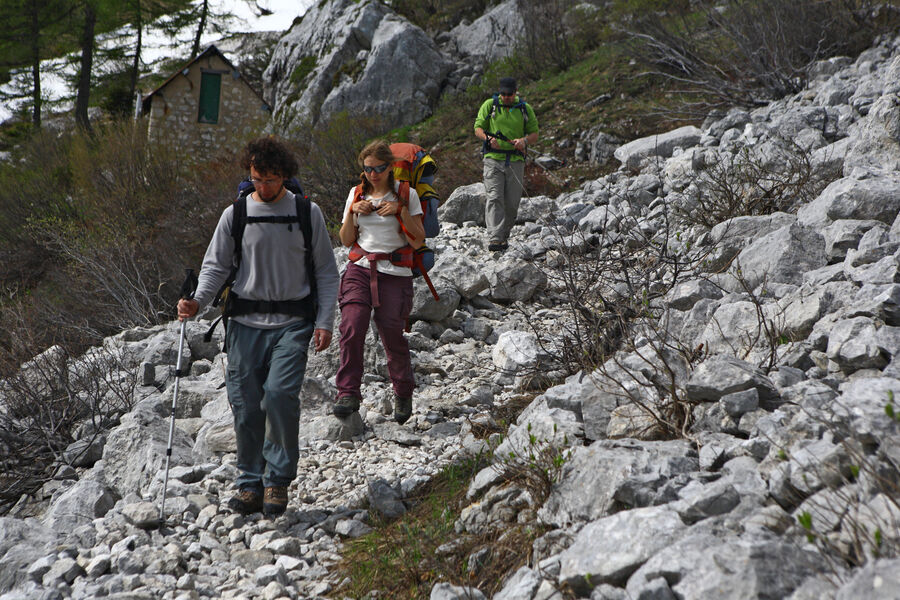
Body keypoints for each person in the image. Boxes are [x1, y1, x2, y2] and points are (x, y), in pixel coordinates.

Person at [177, 136, 339, 516]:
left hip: (293, 323)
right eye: (256, 179)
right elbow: (215, 266)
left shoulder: (305, 212)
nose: (262, 187)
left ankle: (277, 482)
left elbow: (326, 272)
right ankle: (250, 482)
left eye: (270, 179)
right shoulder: (235, 214)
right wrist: (197, 302)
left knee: (280, 395)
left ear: (284, 175)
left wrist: (325, 320)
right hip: (244, 323)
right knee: (246, 406)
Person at [334, 140, 425, 425]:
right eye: (368, 168)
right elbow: (346, 239)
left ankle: (403, 391)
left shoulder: (406, 195)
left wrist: (399, 211)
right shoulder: (356, 194)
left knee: (392, 336)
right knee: (352, 325)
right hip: (360, 268)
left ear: (391, 168)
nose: (373, 174)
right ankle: (347, 392)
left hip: (395, 272)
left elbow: (419, 238)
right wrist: (352, 212)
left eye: (379, 168)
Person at [474, 76, 539, 252]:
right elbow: (478, 128)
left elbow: (534, 133)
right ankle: (495, 238)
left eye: (509, 94)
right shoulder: (490, 105)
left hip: (516, 160)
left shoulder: (525, 108)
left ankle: (504, 234)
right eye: (503, 94)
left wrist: (524, 141)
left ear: (515, 92)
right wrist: (488, 138)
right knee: (494, 197)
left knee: (512, 202)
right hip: (493, 159)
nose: (506, 97)